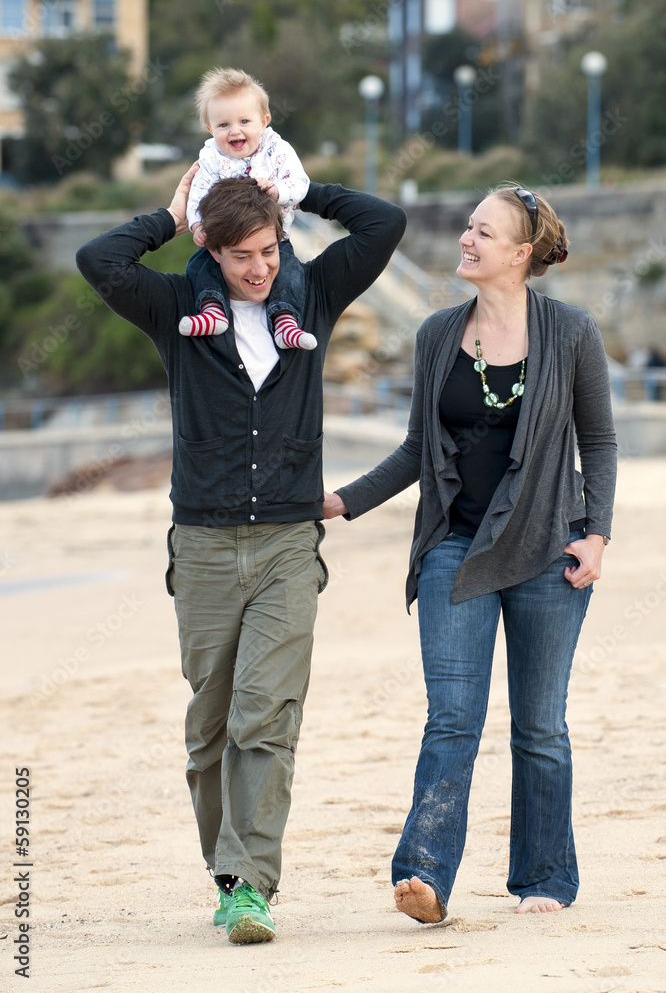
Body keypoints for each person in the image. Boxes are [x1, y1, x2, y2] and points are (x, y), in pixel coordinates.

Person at [76, 165, 406, 942]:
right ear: (211, 251)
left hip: (289, 541)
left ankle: (248, 885)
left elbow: (383, 222)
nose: (259, 269)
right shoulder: (175, 309)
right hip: (203, 547)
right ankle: (225, 875)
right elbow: (99, 261)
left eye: (268, 250)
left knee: (265, 718)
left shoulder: (312, 296)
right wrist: (169, 215)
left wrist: (299, 188)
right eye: (240, 256)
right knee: (211, 730)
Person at [324, 184, 617, 921]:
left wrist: (597, 533)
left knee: (540, 726)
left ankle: (544, 878)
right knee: (452, 718)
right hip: (455, 546)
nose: (466, 238)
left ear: (520, 253)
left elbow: (599, 441)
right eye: (468, 226)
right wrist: (342, 501)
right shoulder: (436, 335)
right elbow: (415, 450)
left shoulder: (572, 333)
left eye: (483, 231)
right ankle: (424, 876)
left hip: (549, 550)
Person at [180, 66, 315, 351]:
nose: (235, 131)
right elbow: (197, 194)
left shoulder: (276, 150)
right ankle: (212, 310)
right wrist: (197, 223)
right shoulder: (211, 157)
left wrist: (279, 191)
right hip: (224, 239)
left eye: (244, 121)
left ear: (264, 121)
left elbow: (300, 183)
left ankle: (285, 321)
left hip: (276, 237)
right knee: (199, 265)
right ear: (210, 129)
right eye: (223, 125)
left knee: (290, 272)